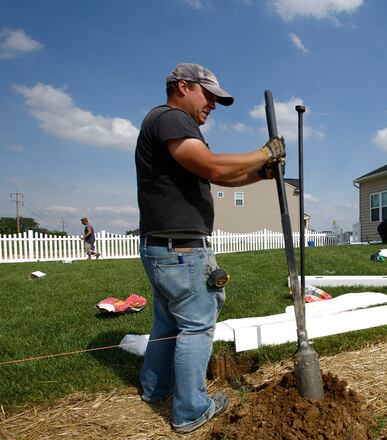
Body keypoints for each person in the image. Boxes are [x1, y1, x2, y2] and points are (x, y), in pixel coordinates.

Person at [135, 63, 285, 433]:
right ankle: (190, 411)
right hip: (183, 251)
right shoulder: (172, 119)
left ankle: (155, 390)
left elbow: (221, 176)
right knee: (197, 328)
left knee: (168, 324)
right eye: (209, 96)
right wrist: (264, 153)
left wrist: (260, 173)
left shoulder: (167, 125)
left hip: (163, 249)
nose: (213, 106)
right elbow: (213, 166)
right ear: (183, 87)